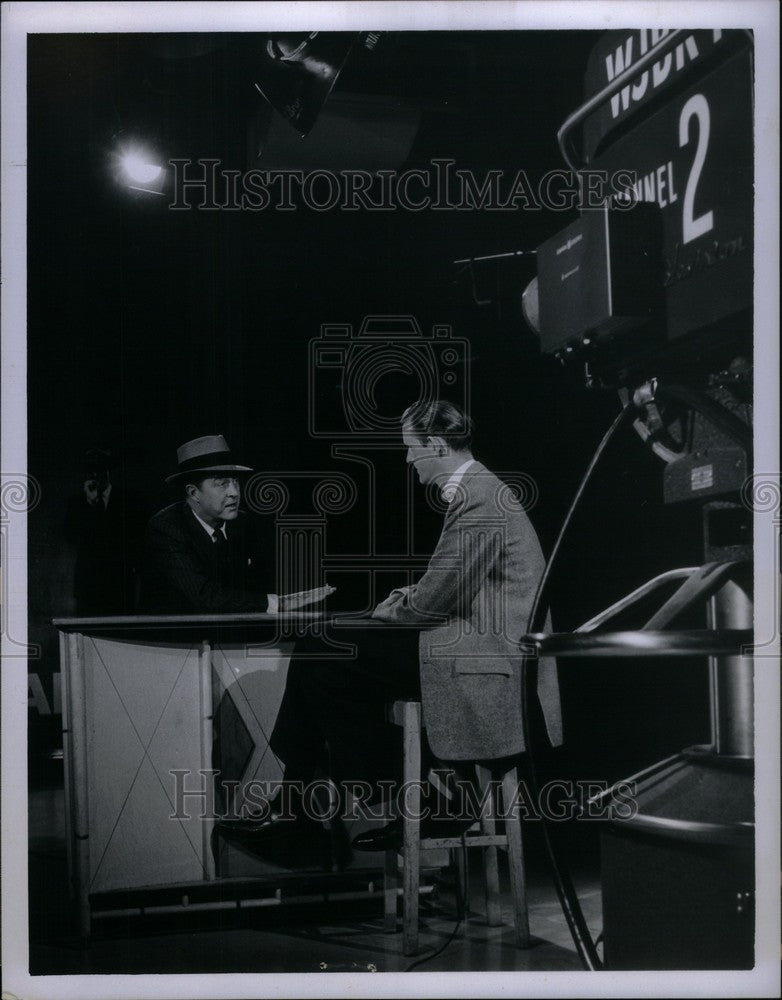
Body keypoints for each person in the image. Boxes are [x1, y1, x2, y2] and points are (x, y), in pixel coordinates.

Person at [220, 401, 562, 857]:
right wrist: (393, 606)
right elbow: (445, 587)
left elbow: (434, 599)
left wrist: (388, 607)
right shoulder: (480, 491)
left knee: (322, 649)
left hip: (486, 662)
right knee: (323, 651)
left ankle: (342, 804)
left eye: (411, 449)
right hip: (473, 646)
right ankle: (315, 807)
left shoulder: (479, 497)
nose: (407, 460)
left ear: (437, 445)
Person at [139, 434, 332, 613]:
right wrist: (278, 603)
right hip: (167, 643)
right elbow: (204, 596)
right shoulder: (167, 528)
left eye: (235, 482)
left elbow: (265, 579)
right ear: (193, 493)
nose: (234, 492)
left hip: (230, 638)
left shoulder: (244, 523)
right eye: (221, 483)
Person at [61, 447, 147, 615]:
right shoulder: (77, 502)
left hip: (120, 585)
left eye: (100, 470)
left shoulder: (129, 500)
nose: (95, 475)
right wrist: (90, 504)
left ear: (108, 472)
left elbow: (138, 538)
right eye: (91, 471)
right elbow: (70, 536)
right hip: (88, 586)